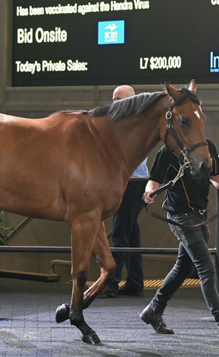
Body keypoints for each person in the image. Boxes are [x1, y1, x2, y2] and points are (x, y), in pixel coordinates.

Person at [139, 138, 219, 343]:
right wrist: (149, 191)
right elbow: (154, 179)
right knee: (206, 267)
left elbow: (215, 176)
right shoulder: (167, 152)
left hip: (200, 216)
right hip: (180, 217)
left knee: (183, 268)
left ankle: (153, 310)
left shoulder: (208, 147)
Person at [99, 85, 148, 298]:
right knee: (131, 233)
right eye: (113, 98)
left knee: (120, 233)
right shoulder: (136, 123)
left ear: (129, 101)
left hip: (130, 183)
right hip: (136, 181)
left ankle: (111, 282)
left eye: (117, 99)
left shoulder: (129, 125)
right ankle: (136, 281)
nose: (113, 103)